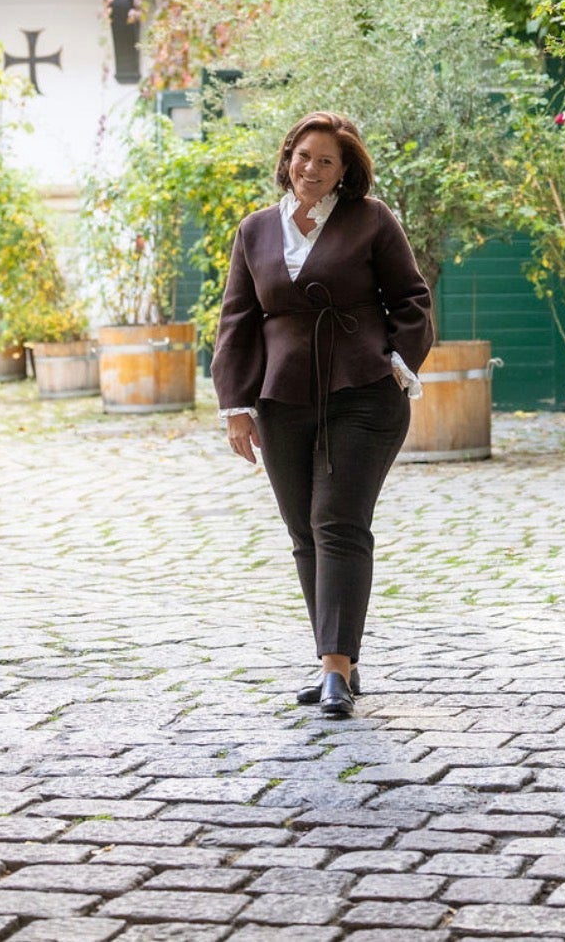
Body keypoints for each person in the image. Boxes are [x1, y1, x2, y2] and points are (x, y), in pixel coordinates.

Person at [211, 111, 434, 719]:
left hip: (363, 393)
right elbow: (236, 319)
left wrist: (397, 360)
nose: (311, 169)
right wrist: (236, 405)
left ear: (344, 172)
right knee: (304, 531)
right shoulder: (255, 230)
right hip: (282, 400)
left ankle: (333, 670)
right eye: (303, 156)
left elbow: (412, 298)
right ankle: (341, 656)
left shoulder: (371, 220)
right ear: (287, 158)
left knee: (337, 520)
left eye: (326, 161)